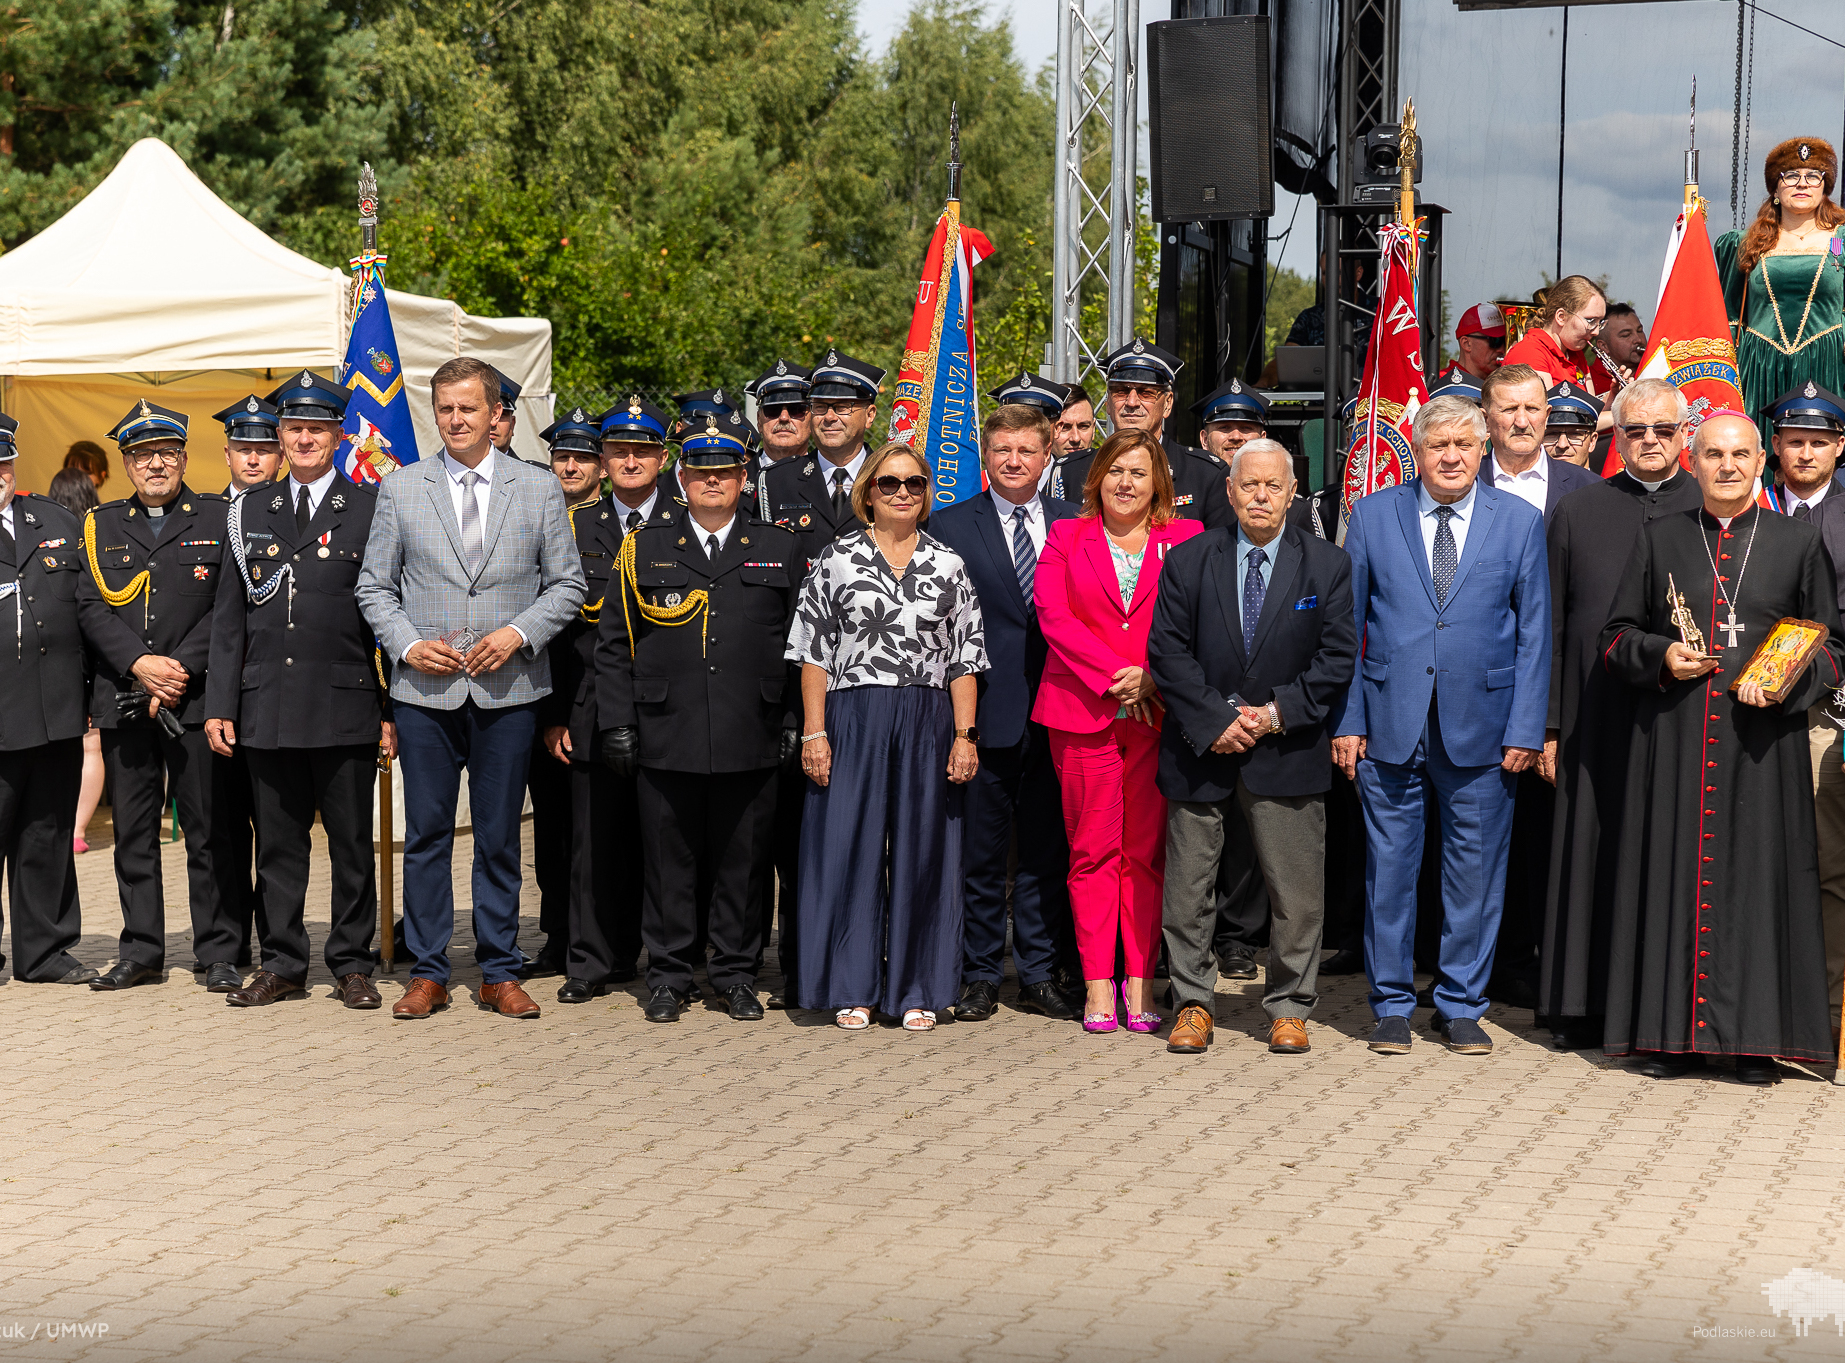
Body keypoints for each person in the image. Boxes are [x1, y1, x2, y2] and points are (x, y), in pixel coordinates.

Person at [1599, 412, 1844, 1082]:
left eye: (1739, 454)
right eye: (1712, 454)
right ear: (1691, 458)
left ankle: (1753, 1041)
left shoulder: (1796, 543)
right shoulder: (1660, 538)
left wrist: (1786, 678)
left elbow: (1832, 649)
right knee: (1671, 876)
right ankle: (1666, 1036)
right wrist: (1658, 654)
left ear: (1760, 460)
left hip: (1763, 748)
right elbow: (1615, 635)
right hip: (1674, 743)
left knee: (1758, 887)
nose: (1727, 465)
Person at [355, 356, 585, 1022]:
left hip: (507, 690)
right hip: (424, 695)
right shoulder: (402, 488)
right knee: (425, 834)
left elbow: (566, 585)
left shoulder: (537, 489)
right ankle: (428, 971)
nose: (456, 419)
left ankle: (498, 969)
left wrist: (518, 634)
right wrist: (403, 642)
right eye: (446, 408)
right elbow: (374, 586)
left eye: (469, 408)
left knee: (498, 837)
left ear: (495, 415)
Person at [1331, 395, 1550, 1058]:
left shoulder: (1516, 521)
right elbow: (1347, 632)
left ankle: (1459, 1005)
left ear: (1482, 450)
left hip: (1483, 730)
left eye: (1463, 444)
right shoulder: (1372, 516)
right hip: (1389, 725)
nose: (1451, 456)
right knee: (1389, 873)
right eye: (1438, 445)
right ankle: (1391, 1005)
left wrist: (1524, 726)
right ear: (1417, 453)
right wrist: (1348, 719)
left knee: (1474, 875)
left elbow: (1535, 632)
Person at [1149, 438, 1357, 1057]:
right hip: (1200, 746)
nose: (1261, 496)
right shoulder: (1188, 560)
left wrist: (1273, 716)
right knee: (1189, 887)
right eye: (1249, 485)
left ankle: (1290, 1005)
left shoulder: (1327, 565)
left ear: (1292, 493)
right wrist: (1216, 719)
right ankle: (1191, 1002)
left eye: (1273, 486)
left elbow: (1336, 657)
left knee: (1296, 892)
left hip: (1287, 750)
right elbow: (1168, 651)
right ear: (1231, 490)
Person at [598, 412, 802, 1024]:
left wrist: (794, 721)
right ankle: (668, 974)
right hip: (666, 728)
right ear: (680, 476)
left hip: (753, 728)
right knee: (669, 860)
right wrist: (618, 722)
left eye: (726, 471)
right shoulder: (646, 546)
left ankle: (735, 973)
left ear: (745, 476)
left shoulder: (777, 545)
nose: (713, 481)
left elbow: (802, 645)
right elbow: (615, 643)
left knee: (743, 862)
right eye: (700, 470)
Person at [204, 372, 394, 1009]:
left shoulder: (369, 508)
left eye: (318, 428)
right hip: (268, 705)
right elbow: (229, 621)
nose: (305, 438)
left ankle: (351, 962)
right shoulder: (248, 512)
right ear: (280, 436)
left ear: (339, 437)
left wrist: (391, 711)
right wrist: (219, 707)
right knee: (278, 847)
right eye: (294, 428)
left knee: (350, 846)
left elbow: (384, 616)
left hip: (344, 703)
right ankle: (283, 962)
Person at [787, 442, 987, 1033]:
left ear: (927, 495)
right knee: (847, 846)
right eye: (889, 483)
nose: (902, 492)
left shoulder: (949, 564)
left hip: (928, 718)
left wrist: (965, 736)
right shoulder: (836, 559)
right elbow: (812, 655)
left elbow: (965, 660)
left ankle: (917, 985)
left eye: (915, 484)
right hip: (853, 715)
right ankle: (852, 984)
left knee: (925, 850)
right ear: (867, 493)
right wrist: (814, 732)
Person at [1539, 378, 1703, 1049]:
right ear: (1616, 434)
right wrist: (1546, 725)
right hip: (1590, 714)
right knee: (1590, 853)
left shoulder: (1711, 503)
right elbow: (1546, 626)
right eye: (1634, 431)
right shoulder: (1578, 510)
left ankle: (1664, 1009)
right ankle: (1581, 1005)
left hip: (1681, 720)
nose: (1649, 442)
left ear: (1683, 433)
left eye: (1662, 430)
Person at [1034, 429, 1204, 1033]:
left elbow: (1197, 618)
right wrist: (1116, 676)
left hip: (1158, 716)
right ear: (1096, 479)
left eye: (1139, 472)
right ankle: (1098, 984)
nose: (1126, 483)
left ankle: (1141, 981)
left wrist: (1154, 677)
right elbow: (1052, 613)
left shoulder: (1185, 539)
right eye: (1115, 472)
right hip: (1084, 712)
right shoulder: (1065, 536)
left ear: (1159, 481)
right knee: (1091, 852)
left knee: (1146, 853)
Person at [78, 401, 242, 993]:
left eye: (167, 453)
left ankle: (218, 950)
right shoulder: (99, 523)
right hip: (125, 698)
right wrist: (141, 664)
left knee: (208, 830)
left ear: (184, 458)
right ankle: (142, 950)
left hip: (193, 701)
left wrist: (177, 669)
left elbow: (228, 607)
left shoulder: (218, 517)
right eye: (144, 455)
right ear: (126, 463)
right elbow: (91, 606)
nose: (156, 464)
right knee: (134, 834)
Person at [931, 403, 1081, 1023]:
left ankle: (1040, 973)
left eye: (1026, 451)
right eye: (1002, 451)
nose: (1014, 461)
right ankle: (981, 974)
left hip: (1061, 713)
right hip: (984, 715)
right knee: (982, 856)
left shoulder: (1079, 523)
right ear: (985, 459)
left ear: (1047, 458)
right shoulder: (950, 526)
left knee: (1048, 854)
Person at [544, 401, 662, 1003]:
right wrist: (554, 714)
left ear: (662, 458)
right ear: (604, 458)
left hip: (670, 707)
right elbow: (557, 635)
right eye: (619, 451)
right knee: (592, 841)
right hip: (588, 703)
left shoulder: (685, 520)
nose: (630, 460)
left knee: (662, 838)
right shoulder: (572, 528)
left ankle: (669, 955)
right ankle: (590, 960)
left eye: (642, 450)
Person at [0, 416, 97, 984]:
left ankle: (45, 952)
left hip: (55, 708)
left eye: (4, 462)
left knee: (47, 835)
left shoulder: (55, 521)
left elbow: (87, 609)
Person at [1766, 383, 1845, 1038]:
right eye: (1794, 440)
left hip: (1826, 712)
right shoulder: (1745, 505)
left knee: (1826, 862)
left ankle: (1822, 1012)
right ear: (1775, 444)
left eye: (1818, 442)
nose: (1804, 452)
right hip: (1745, 709)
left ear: (1838, 447)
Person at [523, 406, 612, 981]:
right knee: (551, 833)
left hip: (598, 700)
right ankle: (557, 938)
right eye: (562, 456)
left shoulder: (617, 527)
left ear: (600, 467)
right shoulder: (530, 517)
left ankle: (602, 941)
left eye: (582, 457)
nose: (571, 466)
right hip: (541, 699)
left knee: (596, 834)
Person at [1716, 137, 1845, 428]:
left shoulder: (1841, 241)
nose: (1802, 183)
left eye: (1813, 176)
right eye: (1791, 176)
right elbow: (1730, 318)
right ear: (1775, 187)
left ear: (1825, 187)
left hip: (1826, 365)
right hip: (1761, 367)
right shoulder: (1745, 244)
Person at [1050, 340, 1232, 530]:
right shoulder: (1070, 471)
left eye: (1146, 393)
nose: (1132, 402)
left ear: (1168, 403)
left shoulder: (1206, 474)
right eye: (1121, 391)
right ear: (1108, 404)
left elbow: (1217, 554)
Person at [760, 351, 887, 573]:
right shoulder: (776, 481)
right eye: (820, 407)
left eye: (842, 407)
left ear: (870, 415)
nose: (829, 417)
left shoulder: (891, 481)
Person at [46, 470, 103, 854]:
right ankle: (78, 829)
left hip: (57, 651)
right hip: (95, 644)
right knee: (92, 746)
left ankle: (60, 820)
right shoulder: (97, 531)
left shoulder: (48, 530)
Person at [1502, 277, 1617, 401]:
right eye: (1590, 321)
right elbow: (1547, 416)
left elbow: (1591, 414)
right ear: (1561, 317)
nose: (1596, 332)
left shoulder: (1576, 354)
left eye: (1600, 322)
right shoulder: (1529, 352)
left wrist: (1614, 395)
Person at [1543, 382, 1602, 467]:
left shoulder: (1606, 481)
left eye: (1574, 434)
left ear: (1592, 442)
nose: (1562, 445)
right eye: (1552, 434)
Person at [1448, 303, 1507, 382]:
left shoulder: (1502, 384)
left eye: (1505, 341)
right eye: (1495, 341)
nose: (1502, 350)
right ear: (1467, 344)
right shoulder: (1442, 381)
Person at [1601, 304, 1647, 374]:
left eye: (1639, 331)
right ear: (1603, 346)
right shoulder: (1589, 379)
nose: (1638, 340)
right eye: (1626, 335)